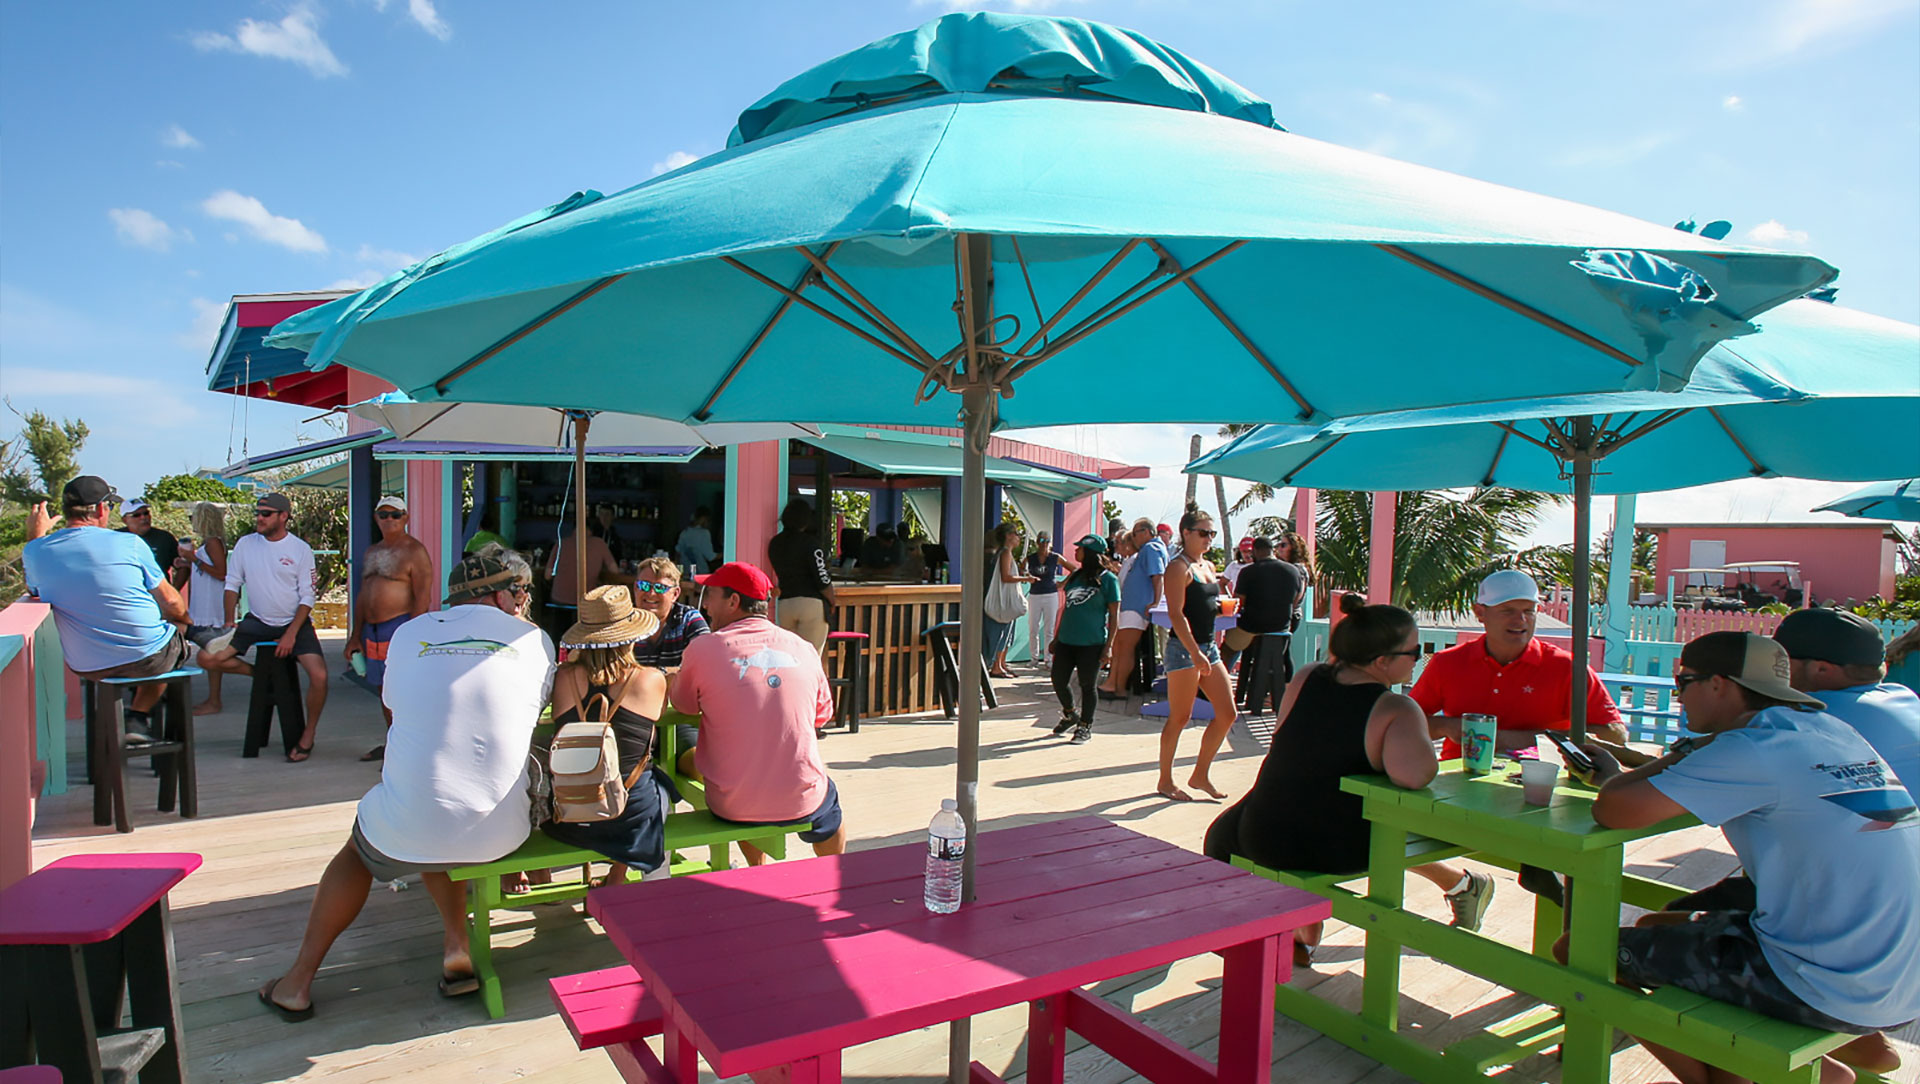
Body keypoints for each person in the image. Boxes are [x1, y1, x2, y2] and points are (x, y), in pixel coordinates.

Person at [1572, 632, 1919, 1084]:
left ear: (1718, 684)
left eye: (1683, 683)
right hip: (1901, 974)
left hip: (1830, 983)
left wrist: (1685, 749)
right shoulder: (1829, 729)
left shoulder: (1751, 748)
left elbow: (1612, 810)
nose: (1679, 698)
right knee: (1659, 924)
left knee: (1583, 953)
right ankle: (1863, 1048)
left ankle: (1757, 1076)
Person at [257, 551, 555, 1020]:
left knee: (370, 844)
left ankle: (297, 983)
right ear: (501, 595)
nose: (522, 601)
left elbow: (393, 708)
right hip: (503, 829)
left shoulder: (411, 633)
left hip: (418, 817)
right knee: (441, 804)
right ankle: (455, 943)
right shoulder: (535, 639)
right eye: (519, 592)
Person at [1205, 596, 1496, 961]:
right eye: (1414, 651)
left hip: (1256, 831)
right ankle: (1304, 927)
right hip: (1328, 846)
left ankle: (1304, 931)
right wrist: (1432, 729)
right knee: (1391, 825)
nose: (1418, 659)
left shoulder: (1307, 676)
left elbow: (1294, 746)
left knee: (1299, 802)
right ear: (1382, 661)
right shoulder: (1396, 708)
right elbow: (1415, 777)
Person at [671, 562, 846, 863]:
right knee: (830, 810)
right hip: (801, 798)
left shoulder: (702, 649)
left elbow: (684, 706)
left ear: (733, 601)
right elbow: (822, 715)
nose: (706, 605)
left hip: (732, 803)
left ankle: (758, 870)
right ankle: (834, 871)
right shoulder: (803, 647)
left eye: (710, 595)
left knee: (740, 784)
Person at [22, 477, 191, 745]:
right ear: (101, 509)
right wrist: (184, 619)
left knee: (154, 644)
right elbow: (172, 603)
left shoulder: (35, 551)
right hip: (146, 657)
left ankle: (118, 727)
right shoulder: (130, 543)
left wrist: (35, 537)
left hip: (87, 664)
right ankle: (138, 715)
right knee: (175, 635)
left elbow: (34, 589)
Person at [541, 585, 681, 885]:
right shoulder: (650, 680)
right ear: (631, 635)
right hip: (628, 815)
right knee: (659, 788)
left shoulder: (564, 677)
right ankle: (648, 879)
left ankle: (618, 875)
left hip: (571, 811)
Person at [1410, 569, 1627, 756]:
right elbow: (1405, 720)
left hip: (1541, 780)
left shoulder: (1567, 668)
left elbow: (1615, 734)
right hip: (1456, 779)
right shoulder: (1447, 663)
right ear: (1480, 613)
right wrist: (1446, 726)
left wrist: (1510, 739)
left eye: (1528, 611)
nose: (1520, 620)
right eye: (1508, 611)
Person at [197, 492, 329, 763]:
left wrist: (291, 634)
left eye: (266, 514)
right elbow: (232, 583)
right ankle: (261, 676)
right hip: (256, 621)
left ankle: (309, 734)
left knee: (320, 677)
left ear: (283, 516)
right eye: (257, 513)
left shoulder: (300, 549)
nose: (259, 518)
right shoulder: (246, 544)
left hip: (294, 623)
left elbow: (308, 596)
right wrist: (229, 621)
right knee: (207, 658)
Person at [1774, 607, 1920, 792]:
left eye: (1781, 660)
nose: (1773, 666)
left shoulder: (1803, 715)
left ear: (1821, 669)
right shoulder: (1904, 698)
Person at [1156, 510, 1238, 801]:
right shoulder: (1178, 567)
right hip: (1184, 650)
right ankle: (1165, 780)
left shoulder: (1208, 565)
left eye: (1212, 533)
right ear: (1186, 533)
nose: (1208, 538)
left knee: (1227, 713)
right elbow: (1176, 615)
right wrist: (1195, 652)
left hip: (1208, 647)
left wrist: (1222, 609)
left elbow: (1203, 605)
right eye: (1203, 533)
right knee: (1180, 717)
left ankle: (1200, 774)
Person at [347, 495, 436, 762]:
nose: (389, 520)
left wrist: (411, 635)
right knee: (382, 689)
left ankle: (409, 749)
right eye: (383, 515)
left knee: (403, 688)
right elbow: (363, 594)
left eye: (395, 515)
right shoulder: (371, 552)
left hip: (398, 627)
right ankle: (394, 744)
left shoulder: (415, 551)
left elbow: (423, 597)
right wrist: (355, 635)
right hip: (372, 631)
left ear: (405, 518)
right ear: (376, 518)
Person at [1048, 535, 1119, 744]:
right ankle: (1070, 714)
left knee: (1087, 684)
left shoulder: (1108, 579)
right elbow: (1067, 608)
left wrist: (1109, 646)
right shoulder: (1075, 576)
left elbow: (1115, 615)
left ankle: (1085, 726)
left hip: (1092, 643)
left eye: (1080, 549)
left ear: (1090, 553)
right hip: (1067, 640)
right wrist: (1057, 637)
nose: (1076, 551)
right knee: (1058, 679)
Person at [1223, 536, 1307, 708]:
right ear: (1272, 550)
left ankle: (1215, 691)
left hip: (1251, 627)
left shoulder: (1248, 572)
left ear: (1255, 551)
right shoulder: (1293, 571)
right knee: (1279, 657)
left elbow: (1238, 602)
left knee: (1225, 651)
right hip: (1282, 628)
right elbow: (1296, 600)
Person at [1100, 518, 1168, 699]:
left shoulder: (1152, 548)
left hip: (1136, 607)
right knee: (1121, 647)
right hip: (1131, 605)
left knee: (1126, 648)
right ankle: (1114, 684)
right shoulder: (1149, 549)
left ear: (1146, 532)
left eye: (1136, 533)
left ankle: (1120, 688)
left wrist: (1155, 602)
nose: (1133, 537)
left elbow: (1158, 576)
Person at [767, 498, 836, 656]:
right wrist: (831, 600)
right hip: (811, 604)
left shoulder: (775, 544)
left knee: (789, 656)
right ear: (806, 520)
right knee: (811, 656)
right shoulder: (811, 544)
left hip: (785, 604)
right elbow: (822, 577)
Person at [183, 501, 232, 716]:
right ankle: (213, 699)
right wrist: (188, 562)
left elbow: (221, 573)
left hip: (212, 607)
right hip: (206, 605)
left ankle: (214, 700)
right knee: (212, 651)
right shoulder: (209, 543)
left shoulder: (213, 542)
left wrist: (193, 559)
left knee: (213, 651)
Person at [544, 516, 621, 641]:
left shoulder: (561, 543)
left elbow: (547, 575)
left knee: (559, 639)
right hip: (585, 602)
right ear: (592, 530)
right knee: (583, 639)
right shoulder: (599, 544)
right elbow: (615, 570)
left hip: (559, 601)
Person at [628, 555, 710, 671]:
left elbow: (706, 661)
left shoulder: (688, 619)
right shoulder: (623, 623)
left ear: (675, 594)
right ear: (635, 588)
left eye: (660, 587)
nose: (651, 593)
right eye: (644, 586)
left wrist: (653, 676)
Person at [983, 523, 1032, 679]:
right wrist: (1026, 579)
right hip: (1002, 602)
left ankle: (1000, 664)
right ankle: (997, 666)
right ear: (1008, 536)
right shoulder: (1005, 553)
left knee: (1005, 633)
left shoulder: (1002, 553)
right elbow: (1005, 577)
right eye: (1016, 534)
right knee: (1001, 633)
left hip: (1003, 600)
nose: (1018, 538)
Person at [1024, 531, 1074, 669]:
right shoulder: (1031, 558)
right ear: (1037, 542)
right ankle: (1034, 658)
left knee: (1049, 628)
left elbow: (1074, 569)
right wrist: (1027, 576)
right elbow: (1021, 569)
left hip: (1050, 594)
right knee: (1033, 627)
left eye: (1047, 540)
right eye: (1041, 540)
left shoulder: (1055, 557)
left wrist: (1063, 583)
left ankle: (1048, 658)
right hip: (1035, 594)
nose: (1044, 543)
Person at [117, 497, 188, 589]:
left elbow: (183, 566)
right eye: (136, 515)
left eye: (146, 513)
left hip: (157, 594)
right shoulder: (115, 538)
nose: (143, 517)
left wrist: (174, 590)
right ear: (124, 520)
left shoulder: (164, 538)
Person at [675, 507, 718, 576]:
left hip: (686, 572)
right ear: (703, 518)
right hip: (701, 573)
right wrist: (725, 553)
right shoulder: (704, 533)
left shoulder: (684, 533)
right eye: (708, 520)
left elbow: (678, 553)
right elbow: (710, 556)